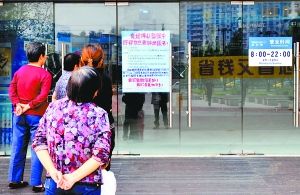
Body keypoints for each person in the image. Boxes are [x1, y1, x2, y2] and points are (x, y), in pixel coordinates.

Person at [32, 66, 111, 194]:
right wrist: (72, 178)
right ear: (95, 91)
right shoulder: (98, 114)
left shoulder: (53, 107)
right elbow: (101, 154)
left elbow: (39, 142)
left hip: (55, 182)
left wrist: (53, 172)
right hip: (87, 184)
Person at [8, 42, 52, 192]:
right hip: (37, 116)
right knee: (38, 148)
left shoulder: (19, 71)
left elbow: (12, 89)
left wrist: (18, 105)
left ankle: (15, 179)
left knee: (17, 147)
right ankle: (36, 183)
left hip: (19, 115)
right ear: (41, 57)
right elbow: (43, 96)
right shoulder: (45, 75)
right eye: (44, 55)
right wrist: (29, 105)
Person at [80, 43, 115, 171]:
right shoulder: (105, 79)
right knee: (103, 164)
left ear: (82, 59)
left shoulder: (77, 78)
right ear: (101, 60)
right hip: (103, 125)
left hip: (80, 127)